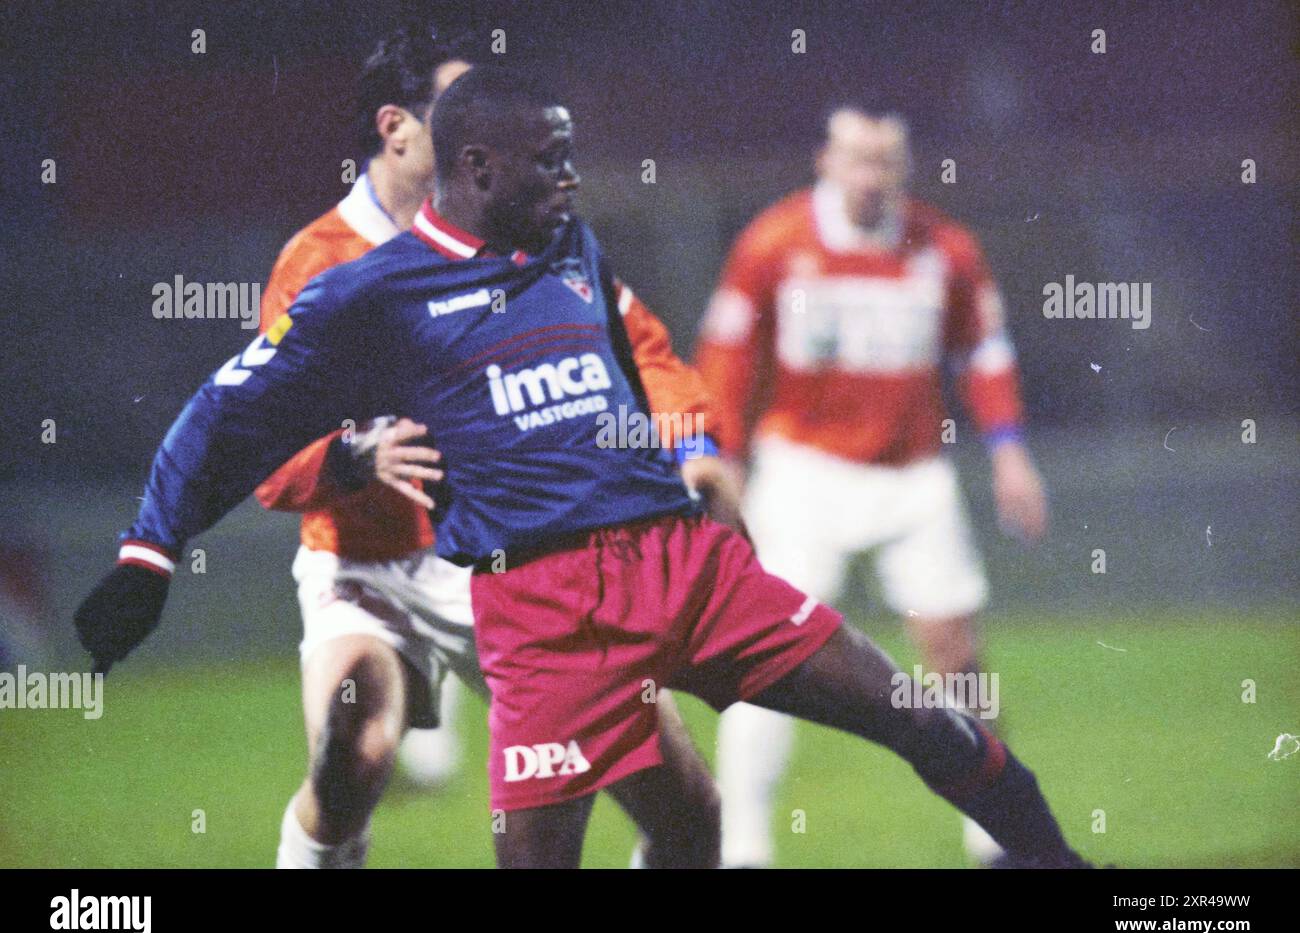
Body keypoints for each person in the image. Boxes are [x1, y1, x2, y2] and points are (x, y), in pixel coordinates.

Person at [76, 66, 1085, 869]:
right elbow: (222, 416)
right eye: (550, 159)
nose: (569, 177)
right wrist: (148, 553)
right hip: (546, 614)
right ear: (473, 166)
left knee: (916, 715)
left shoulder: (571, 244)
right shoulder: (368, 294)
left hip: (686, 569)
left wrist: (694, 454)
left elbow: (644, 356)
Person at [694, 107, 1048, 867]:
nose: (871, 176)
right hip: (804, 473)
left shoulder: (943, 248)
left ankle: (995, 840)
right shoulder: (775, 241)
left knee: (955, 656)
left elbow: (983, 350)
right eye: (858, 158)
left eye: (887, 160)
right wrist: (723, 453)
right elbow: (726, 353)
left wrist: (1010, 449)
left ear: (906, 165)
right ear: (826, 158)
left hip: (913, 475)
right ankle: (744, 849)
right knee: (765, 662)